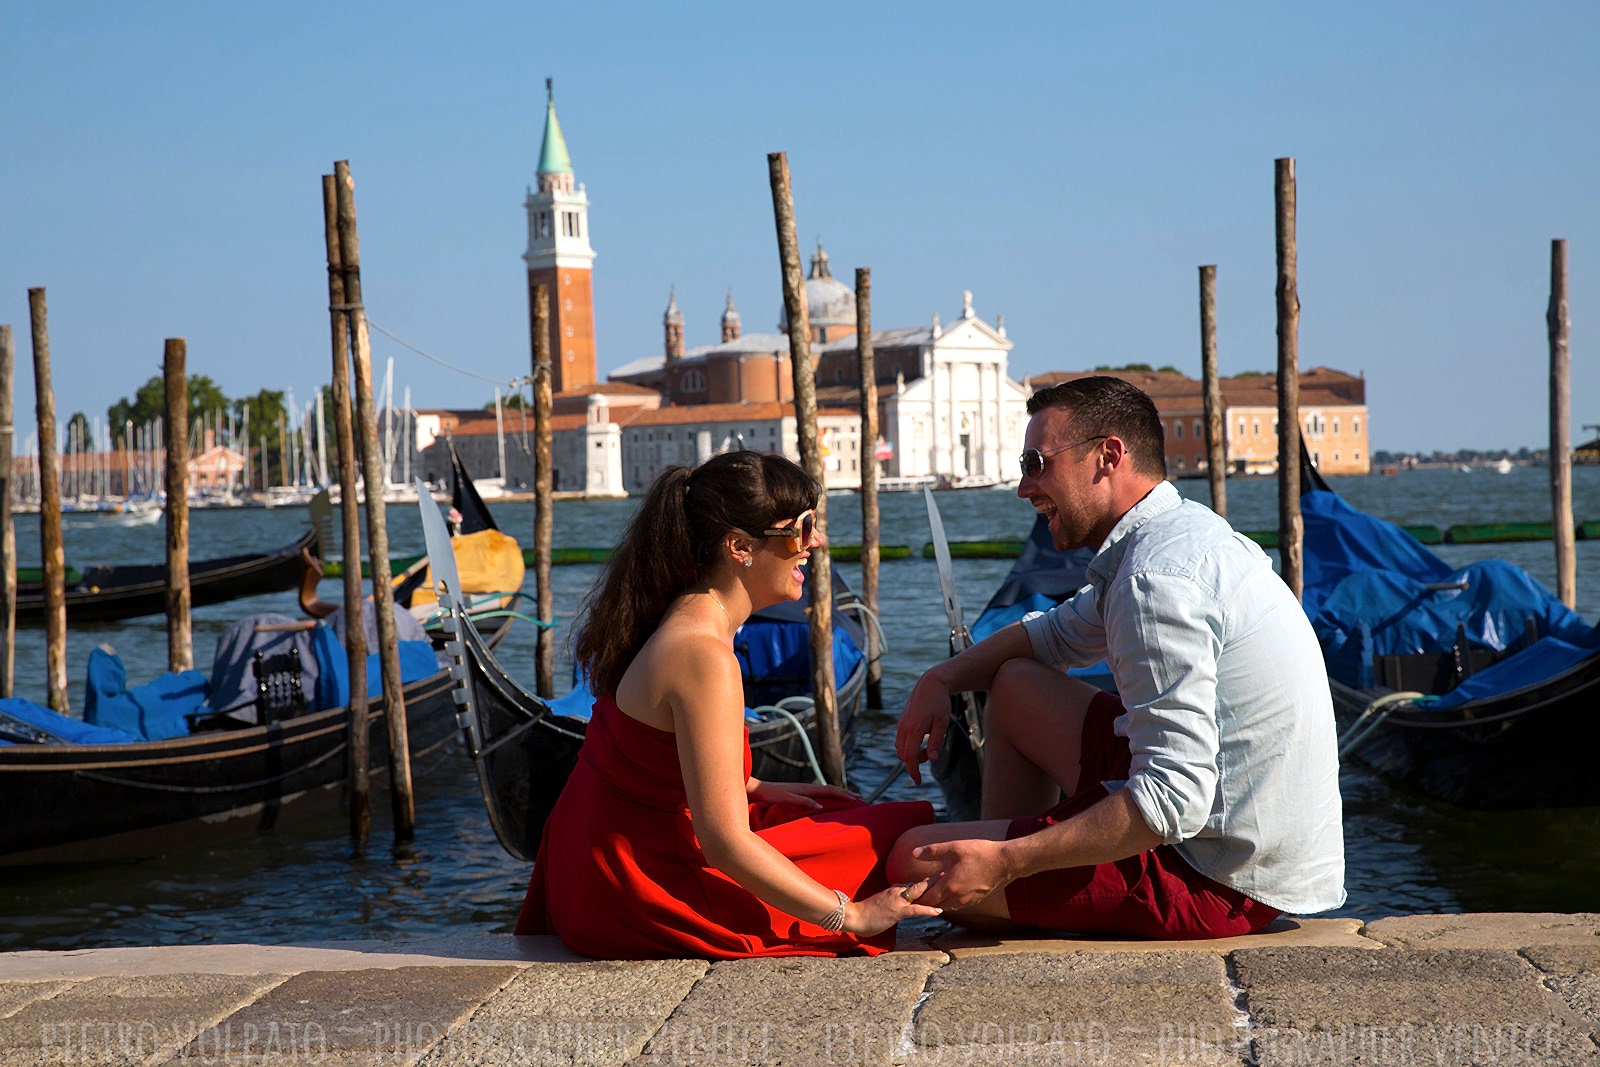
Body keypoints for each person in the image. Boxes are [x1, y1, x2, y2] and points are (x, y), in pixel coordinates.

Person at [889, 376, 1345, 938]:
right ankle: (1007, 886)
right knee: (1014, 684)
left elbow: (1173, 802)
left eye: (1036, 462)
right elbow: (1046, 638)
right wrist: (941, 678)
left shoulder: (1155, 580)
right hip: (1241, 832)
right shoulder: (1173, 537)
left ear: (1107, 457)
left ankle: (1000, 884)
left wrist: (1007, 860)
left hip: (1218, 878)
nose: (1023, 487)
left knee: (917, 859)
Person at [515, 451, 940, 959]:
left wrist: (756, 786)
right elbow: (723, 843)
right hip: (639, 887)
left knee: (840, 811)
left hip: (594, 867)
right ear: (740, 546)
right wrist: (852, 914)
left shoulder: (677, 615)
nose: (816, 543)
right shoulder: (703, 655)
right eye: (802, 529)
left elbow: (651, 763)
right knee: (899, 838)